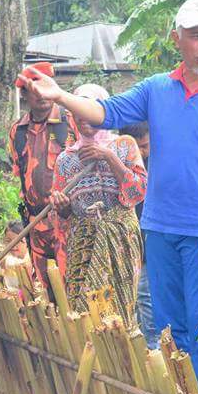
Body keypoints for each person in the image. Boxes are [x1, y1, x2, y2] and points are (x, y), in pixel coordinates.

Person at [19, 0, 198, 394]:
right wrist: (59, 95)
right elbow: (103, 111)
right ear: (178, 39)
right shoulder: (157, 90)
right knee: (170, 331)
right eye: (196, 37)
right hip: (158, 228)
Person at [49, 84, 147, 328]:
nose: (86, 121)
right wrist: (62, 207)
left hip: (120, 237)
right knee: (85, 309)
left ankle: (121, 361)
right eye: (79, 115)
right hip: (84, 241)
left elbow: (138, 192)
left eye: (92, 112)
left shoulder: (124, 145)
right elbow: (64, 217)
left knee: (121, 310)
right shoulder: (66, 159)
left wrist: (109, 156)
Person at [7, 62, 80, 293]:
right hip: (36, 226)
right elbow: (20, 174)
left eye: (45, 86)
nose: (41, 94)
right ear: (24, 94)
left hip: (67, 221)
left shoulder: (69, 123)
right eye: (34, 89)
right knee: (43, 291)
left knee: (72, 287)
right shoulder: (17, 131)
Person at [119, 121, 160, 349]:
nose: (142, 152)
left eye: (145, 146)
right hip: (132, 245)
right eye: (137, 147)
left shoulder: (159, 163)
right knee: (135, 300)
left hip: (154, 244)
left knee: (147, 298)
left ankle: (154, 347)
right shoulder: (120, 165)